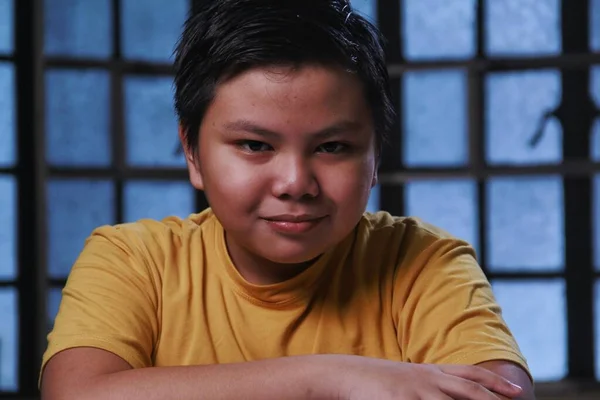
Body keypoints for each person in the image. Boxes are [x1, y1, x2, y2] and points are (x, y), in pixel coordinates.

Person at [40, 1, 535, 399]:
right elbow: (76, 392)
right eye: (256, 146)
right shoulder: (133, 260)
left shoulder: (425, 262)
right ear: (192, 152)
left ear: (375, 155)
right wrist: (327, 379)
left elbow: (499, 392)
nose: (296, 182)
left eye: (333, 147)